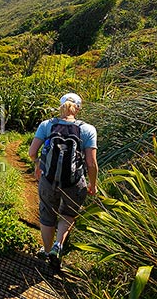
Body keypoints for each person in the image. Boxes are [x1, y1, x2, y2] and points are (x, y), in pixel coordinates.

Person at [28, 93, 98, 269]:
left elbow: (31, 153)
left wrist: (38, 164)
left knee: (47, 215)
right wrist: (93, 184)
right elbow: (91, 163)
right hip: (74, 183)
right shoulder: (88, 130)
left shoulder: (47, 125)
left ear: (60, 106)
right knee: (67, 214)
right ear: (79, 109)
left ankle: (46, 251)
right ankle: (58, 246)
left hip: (48, 179)